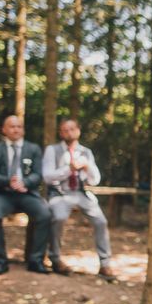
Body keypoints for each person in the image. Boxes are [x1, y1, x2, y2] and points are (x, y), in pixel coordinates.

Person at [43, 119, 117, 280]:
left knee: (101, 221)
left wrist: (87, 167)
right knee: (59, 217)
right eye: (65, 130)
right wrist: (69, 168)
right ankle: (55, 259)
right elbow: (47, 177)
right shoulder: (52, 150)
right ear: (60, 133)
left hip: (81, 193)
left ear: (78, 131)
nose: (68, 132)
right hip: (60, 194)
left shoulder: (86, 152)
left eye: (72, 129)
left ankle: (105, 264)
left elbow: (95, 180)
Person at [0, 115, 51, 276]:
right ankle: (0, 261)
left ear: (23, 130)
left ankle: (36, 260)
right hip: (2, 194)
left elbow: (38, 174)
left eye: (19, 126)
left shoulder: (33, 149)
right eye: (12, 126)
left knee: (45, 214)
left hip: (26, 193)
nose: (16, 129)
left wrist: (25, 183)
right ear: (4, 129)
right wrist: (9, 181)